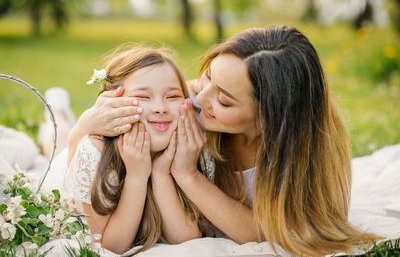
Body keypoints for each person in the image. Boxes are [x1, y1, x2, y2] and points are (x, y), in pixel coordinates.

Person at [67, 26, 381, 256]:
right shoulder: (182, 104)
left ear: (267, 119)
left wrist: (186, 175)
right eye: (208, 77)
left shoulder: (306, 155)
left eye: (225, 100)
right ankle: (59, 118)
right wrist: (82, 127)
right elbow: (85, 167)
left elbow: (274, 234)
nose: (199, 98)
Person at [65, 46, 209, 255]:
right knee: (56, 143)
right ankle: (59, 112)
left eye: (172, 96)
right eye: (143, 97)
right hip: (70, 165)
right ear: (114, 102)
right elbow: (109, 247)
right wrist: (136, 176)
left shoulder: (189, 147)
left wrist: (161, 174)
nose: (160, 107)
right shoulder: (95, 151)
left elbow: (187, 239)